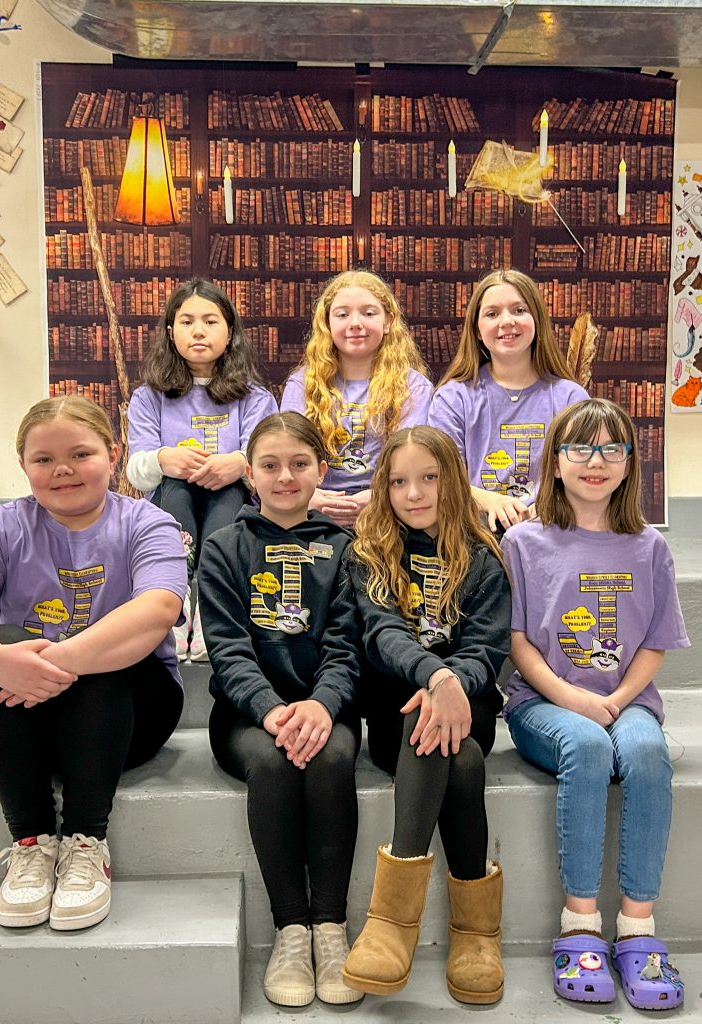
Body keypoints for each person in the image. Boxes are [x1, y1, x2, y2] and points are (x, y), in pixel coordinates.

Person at [0, 396, 186, 931]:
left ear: (113, 454)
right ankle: (30, 841)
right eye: (44, 459)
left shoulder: (150, 522)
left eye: (80, 453)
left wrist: (59, 661)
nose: (62, 470)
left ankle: (85, 841)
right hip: (30, 719)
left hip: (130, 717)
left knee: (109, 647)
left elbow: (158, 609)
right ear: (23, 465)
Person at [501, 398, 688, 1011]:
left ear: (631, 463)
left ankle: (637, 930)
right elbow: (520, 644)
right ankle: (580, 922)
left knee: (646, 750)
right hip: (544, 703)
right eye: (580, 447)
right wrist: (574, 699)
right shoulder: (525, 542)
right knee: (584, 745)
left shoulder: (648, 547)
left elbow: (655, 643)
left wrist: (620, 700)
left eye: (612, 448)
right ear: (555, 463)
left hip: (625, 699)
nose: (595, 460)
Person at [198, 412, 363, 1008]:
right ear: (249, 474)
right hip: (245, 716)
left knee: (331, 760)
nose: (286, 476)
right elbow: (228, 649)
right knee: (271, 766)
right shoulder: (223, 549)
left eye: (300, 464)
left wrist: (321, 705)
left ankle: (331, 928)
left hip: (328, 706)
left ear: (322, 470)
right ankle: (291, 929)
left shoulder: (347, 550)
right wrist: (270, 711)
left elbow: (348, 645)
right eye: (270, 465)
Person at [342, 426, 510, 1004]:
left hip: (472, 707)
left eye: (429, 478)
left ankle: (393, 925)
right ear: (383, 488)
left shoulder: (484, 557)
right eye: (398, 481)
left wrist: (455, 682)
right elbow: (382, 634)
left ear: (453, 480)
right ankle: (474, 934)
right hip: (396, 708)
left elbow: (487, 648)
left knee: (454, 744)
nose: (414, 493)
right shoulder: (369, 551)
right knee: (450, 755)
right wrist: (434, 678)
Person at [127, 278, 277, 660]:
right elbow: (135, 470)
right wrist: (163, 459)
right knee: (175, 492)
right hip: (172, 501)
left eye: (211, 321)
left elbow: (272, 465)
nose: (198, 331)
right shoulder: (149, 397)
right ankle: (173, 612)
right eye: (187, 321)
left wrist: (240, 462)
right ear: (170, 332)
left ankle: (213, 614)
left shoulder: (254, 397)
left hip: (229, 502)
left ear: (229, 334)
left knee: (227, 498)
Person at [428, 268, 588, 533]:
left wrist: (545, 507)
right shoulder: (453, 398)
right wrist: (490, 501)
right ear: (477, 330)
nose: (506, 322)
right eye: (492, 314)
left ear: (536, 320)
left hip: (553, 529)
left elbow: (584, 472)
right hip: (476, 535)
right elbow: (440, 477)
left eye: (519, 310)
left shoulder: (570, 397)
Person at [280, 270, 432, 528]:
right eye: (342, 314)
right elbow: (286, 451)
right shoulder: (302, 384)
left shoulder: (413, 386)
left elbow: (413, 458)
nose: (355, 323)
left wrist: (380, 497)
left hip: (390, 510)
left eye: (369, 313)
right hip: (313, 508)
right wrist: (309, 496)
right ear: (327, 324)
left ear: (388, 321)